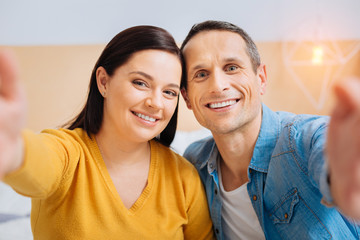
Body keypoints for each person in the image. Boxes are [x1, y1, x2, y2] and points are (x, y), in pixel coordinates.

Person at [0, 25, 214, 239]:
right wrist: (14, 148)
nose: (155, 103)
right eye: (140, 83)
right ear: (104, 82)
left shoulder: (185, 178)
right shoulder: (68, 154)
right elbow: (37, 161)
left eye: (169, 92)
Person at [179, 20, 360, 239]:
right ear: (187, 97)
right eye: (201, 74)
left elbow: (333, 159)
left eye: (232, 68)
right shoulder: (193, 163)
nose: (218, 85)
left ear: (261, 78)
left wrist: (342, 177)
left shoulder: (307, 138)